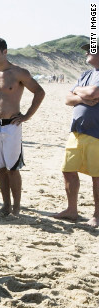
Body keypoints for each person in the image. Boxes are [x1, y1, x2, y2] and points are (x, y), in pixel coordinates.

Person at [0, 38, 44, 216]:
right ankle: (5, 204)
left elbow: (39, 92)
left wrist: (27, 115)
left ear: (5, 52)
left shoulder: (18, 72)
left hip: (12, 125)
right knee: (0, 167)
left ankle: (17, 207)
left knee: (13, 168)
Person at [53, 44, 99, 228]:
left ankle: (97, 215)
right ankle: (72, 210)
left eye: (91, 49)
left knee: (97, 176)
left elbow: (94, 92)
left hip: (97, 133)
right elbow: (67, 98)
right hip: (77, 132)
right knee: (68, 170)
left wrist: (82, 92)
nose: (86, 51)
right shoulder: (86, 75)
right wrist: (84, 97)